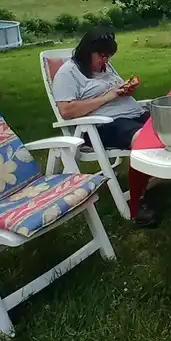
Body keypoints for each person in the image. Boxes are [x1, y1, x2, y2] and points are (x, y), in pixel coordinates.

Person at [52, 27, 157, 226]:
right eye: (102, 56)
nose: (105, 61)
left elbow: (113, 92)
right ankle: (137, 202)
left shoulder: (104, 68)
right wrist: (109, 96)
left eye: (108, 56)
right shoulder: (68, 73)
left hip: (132, 113)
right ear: (86, 52)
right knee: (144, 139)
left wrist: (124, 90)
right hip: (105, 125)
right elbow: (66, 110)